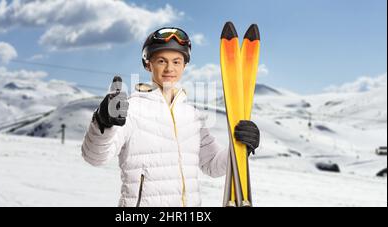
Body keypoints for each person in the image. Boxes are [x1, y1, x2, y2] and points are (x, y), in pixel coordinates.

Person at [81, 27, 260, 207]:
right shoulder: (131, 110)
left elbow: (212, 165)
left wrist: (239, 147)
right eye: (161, 61)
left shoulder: (192, 115)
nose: (169, 68)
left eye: (176, 61)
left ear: (184, 65)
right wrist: (103, 122)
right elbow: (95, 158)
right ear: (148, 64)